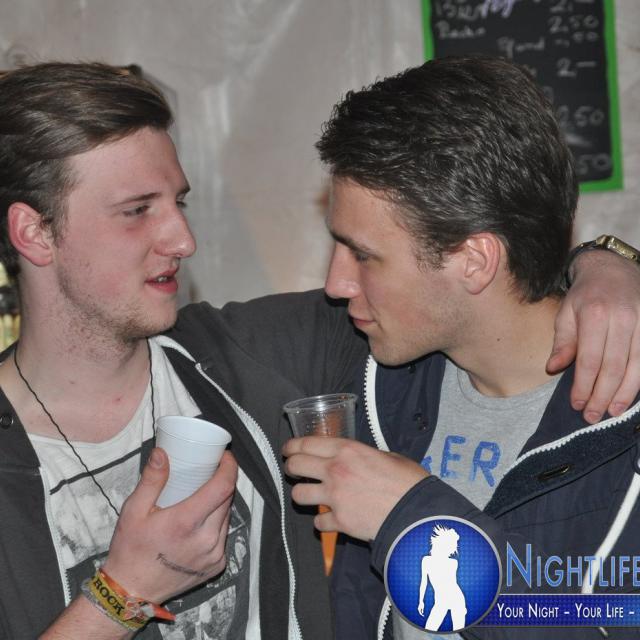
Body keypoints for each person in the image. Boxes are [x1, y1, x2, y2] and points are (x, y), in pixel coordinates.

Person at [0, 60, 637, 640]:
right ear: (33, 232)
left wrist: (609, 262)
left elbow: (611, 613)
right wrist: (120, 595)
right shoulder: (349, 355)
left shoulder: (316, 353)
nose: (184, 239)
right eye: (137, 209)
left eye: (362, 253)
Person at [283, 55, 640, 640]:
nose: (336, 284)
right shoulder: (363, 360)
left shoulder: (623, 430)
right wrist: (611, 257)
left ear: (474, 261)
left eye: (364, 255)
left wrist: (412, 521)